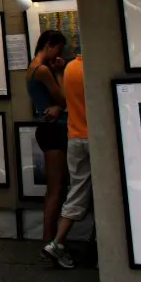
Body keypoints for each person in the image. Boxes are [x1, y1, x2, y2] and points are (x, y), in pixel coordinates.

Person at [44, 54, 89, 269]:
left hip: (75, 138)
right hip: (94, 138)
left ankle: (58, 242)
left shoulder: (70, 69)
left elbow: (64, 98)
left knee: (77, 190)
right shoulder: (93, 68)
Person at [27, 30, 69, 249]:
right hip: (53, 131)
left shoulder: (34, 68)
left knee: (57, 187)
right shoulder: (42, 70)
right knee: (55, 189)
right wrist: (60, 72)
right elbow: (63, 96)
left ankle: (50, 240)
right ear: (49, 45)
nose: (58, 54)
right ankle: (48, 242)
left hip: (48, 130)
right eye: (58, 49)